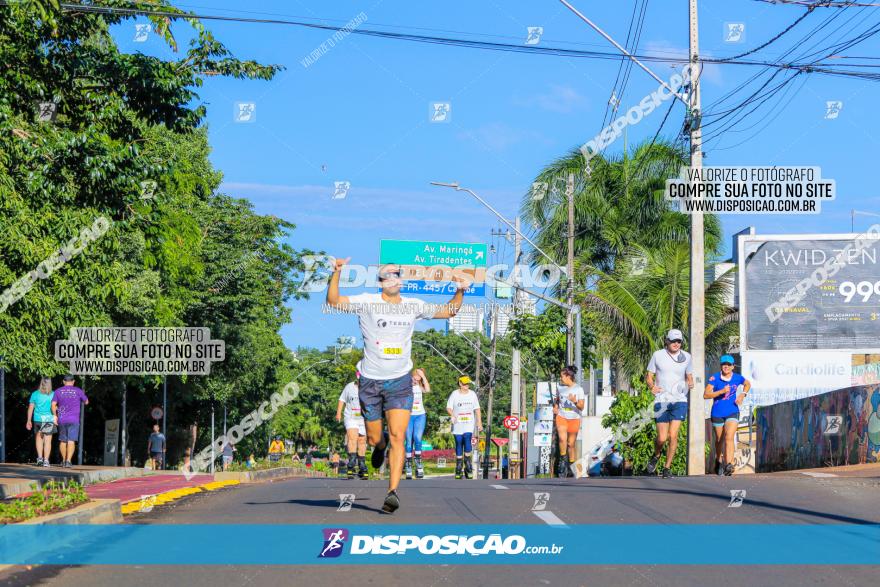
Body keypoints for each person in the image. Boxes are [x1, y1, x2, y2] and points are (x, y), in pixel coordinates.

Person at [326, 258, 467, 513]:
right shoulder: (367, 302)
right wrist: (336, 273)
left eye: (396, 274)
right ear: (380, 282)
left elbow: (449, 311)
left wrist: (460, 291)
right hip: (369, 381)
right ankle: (379, 448)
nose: (392, 278)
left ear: (401, 280)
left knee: (398, 436)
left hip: (400, 381)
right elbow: (334, 302)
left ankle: (392, 493)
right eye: (387, 275)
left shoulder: (413, 305)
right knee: (374, 438)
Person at [645, 329, 694, 478]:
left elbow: (689, 376)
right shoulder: (657, 355)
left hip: (679, 400)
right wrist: (651, 386)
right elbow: (649, 376)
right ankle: (656, 455)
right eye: (673, 341)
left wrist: (690, 383)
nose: (676, 344)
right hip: (661, 400)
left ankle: (667, 468)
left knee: (673, 435)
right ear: (667, 341)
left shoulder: (687, 357)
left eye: (679, 341)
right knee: (661, 438)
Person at [705, 354, 751, 476]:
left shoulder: (737, 378)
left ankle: (729, 464)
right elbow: (706, 395)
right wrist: (720, 391)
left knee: (729, 437)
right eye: (724, 364)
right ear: (721, 366)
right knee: (719, 440)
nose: (726, 367)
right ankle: (718, 460)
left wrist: (742, 395)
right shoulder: (714, 378)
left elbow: (748, 384)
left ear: (732, 367)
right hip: (717, 413)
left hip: (732, 411)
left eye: (728, 365)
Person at [446, 376, 482, 480]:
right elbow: (448, 407)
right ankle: (458, 466)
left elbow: (477, 409)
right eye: (465, 383)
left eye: (468, 383)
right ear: (460, 384)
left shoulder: (472, 394)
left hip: (469, 422)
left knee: (467, 438)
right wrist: (453, 414)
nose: (467, 385)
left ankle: (468, 465)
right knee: (458, 441)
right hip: (457, 422)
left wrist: (479, 422)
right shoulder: (454, 394)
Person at [552, 365, 585, 478]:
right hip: (562, 417)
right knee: (562, 438)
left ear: (568, 376)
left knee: (571, 444)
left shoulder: (578, 389)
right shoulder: (560, 388)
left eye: (562, 376)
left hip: (574, 418)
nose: (561, 378)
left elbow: (581, 407)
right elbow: (557, 400)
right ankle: (562, 461)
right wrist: (556, 407)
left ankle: (571, 464)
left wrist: (575, 401)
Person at [52, 374, 88, 468]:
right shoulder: (78, 390)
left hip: (62, 419)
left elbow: (53, 404)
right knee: (71, 440)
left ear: (64, 381)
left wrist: (54, 416)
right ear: (73, 381)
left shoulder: (58, 391)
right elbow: (86, 402)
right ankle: (68, 461)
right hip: (74, 420)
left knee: (63, 440)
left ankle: (63, 460)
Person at [335, 374, 368, 479]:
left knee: (362, 441)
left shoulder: (370, 387)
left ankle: (362, 465)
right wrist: (338, 413)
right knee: (352, 437)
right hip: (351, 417)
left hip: (364, 418)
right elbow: (342, 400)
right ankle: (352, 463)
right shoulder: (349, 387)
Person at [405, 368, 431, 480]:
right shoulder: (407, 385)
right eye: (416, 375)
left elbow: (428, 390)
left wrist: (423, 377)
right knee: (409, 440)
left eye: (419, 376)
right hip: (408, 416)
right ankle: (409, 465)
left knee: (417, 438)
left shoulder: (420, 387)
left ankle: (419, 463)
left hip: (420, 415)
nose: (417, 378)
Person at [26, 377, 57, 467]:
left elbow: (30, 408)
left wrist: (28, 420)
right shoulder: (53, 394)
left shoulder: (35, 394)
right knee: (47, 440)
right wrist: (55, 416)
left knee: (39, 439)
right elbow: (53, 407)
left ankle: (39, 459)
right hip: (48, 419)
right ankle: (46, 461)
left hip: (37, 419)